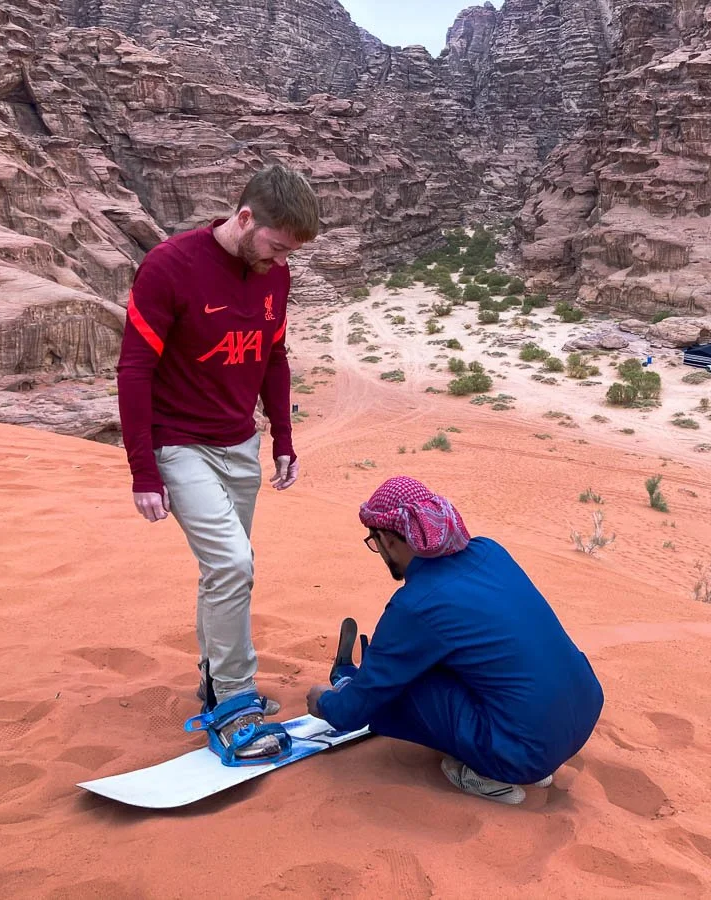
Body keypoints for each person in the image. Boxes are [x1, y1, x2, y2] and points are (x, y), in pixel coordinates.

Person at [116, 164, 320, 763]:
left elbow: (274, 359)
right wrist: (142, 471)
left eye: (291, 254)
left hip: (240, 445)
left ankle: (212, 684)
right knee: (233, 564)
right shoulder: (170, 267)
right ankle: (234, 703)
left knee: (227, 572)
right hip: (179, 443)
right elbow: (134, 370)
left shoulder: (274, 278)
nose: (281, 263)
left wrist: (282, 436)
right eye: (277, 247)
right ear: (246, 217)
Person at [306, 477, 605, 805]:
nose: (378, 551)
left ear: (391, 539)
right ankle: (533, 753)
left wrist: (324, 703)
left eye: (375, 542)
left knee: (399, 689)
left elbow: (353, 713)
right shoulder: (490, 550)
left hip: (524, 749)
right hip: (585, 710)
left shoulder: (416, 604)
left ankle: (490, 772)